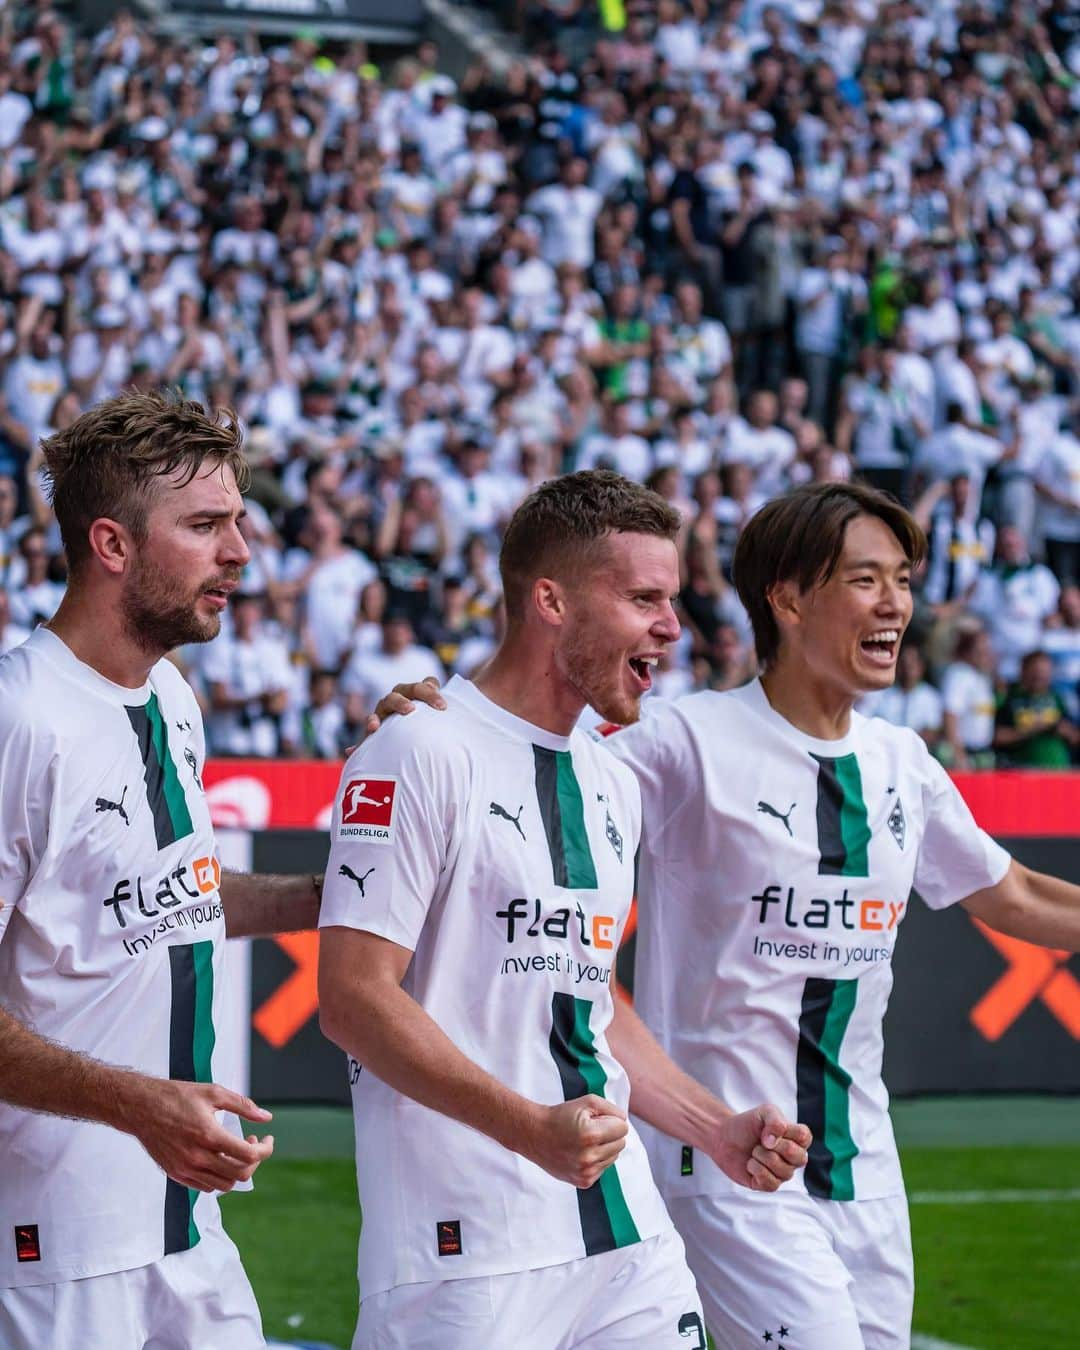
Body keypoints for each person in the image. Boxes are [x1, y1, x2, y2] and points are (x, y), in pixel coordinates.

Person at [378, 479, 1080, 1349]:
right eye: (865, 579)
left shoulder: (904, 763)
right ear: (786, 597)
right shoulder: (685, 740)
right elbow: (524, 762)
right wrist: (440, 717)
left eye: (903, 578)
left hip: (866, 1166)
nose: (895, 601)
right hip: (722, 1164)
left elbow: (1014, 893)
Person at [319, 471, 811, 1350]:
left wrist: (716, 1127)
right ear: (550, 599)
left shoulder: (609, 778)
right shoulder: (417, 748)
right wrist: (529, 1129)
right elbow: (354, 997)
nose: (673, 625)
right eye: (644, 598)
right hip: (463, 1252)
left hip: (626, 1236)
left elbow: (587, 1000)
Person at [0, 390, 322, 1349]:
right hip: (54, 1248)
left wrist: (333, 893)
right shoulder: (21, 719)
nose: (240, 553)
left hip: (188, 1226)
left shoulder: (173, 695)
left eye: (238, 522)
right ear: (111, 546)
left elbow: (177, 902)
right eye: (206, 525)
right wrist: (140, 1105)